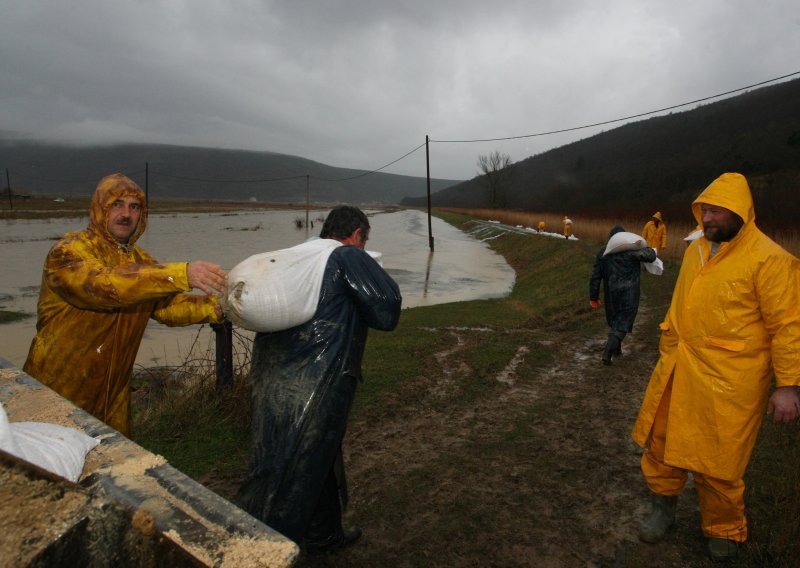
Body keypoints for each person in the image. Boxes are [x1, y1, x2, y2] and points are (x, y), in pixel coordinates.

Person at [631, 173, 800, 562]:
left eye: (716, 211)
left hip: (731, 381)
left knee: (719, 460)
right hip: (678, 368)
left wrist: (789, 386)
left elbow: (788, 327)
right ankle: (663, 510)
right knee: (661, 442)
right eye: (704, 209)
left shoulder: (771, 260)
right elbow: (679, 307)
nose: (707, 218)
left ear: (740, 211)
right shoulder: (695, 252)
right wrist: (667, 347)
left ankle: (724, 529)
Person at [236, 205, 402, 555]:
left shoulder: (304, 259)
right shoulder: (346, 257)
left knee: (315, 454)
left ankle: (324, 533)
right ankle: (265, 550)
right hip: (318, 383)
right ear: (357, 235)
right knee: (295, 463)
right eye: (364, 240)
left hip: (273, 378)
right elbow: (387, 311)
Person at [23, 173, 227, 437]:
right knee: (50, 465)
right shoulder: (68, 252)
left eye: (135, 207)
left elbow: (167, 307)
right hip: (57, 388)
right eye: (117, 204)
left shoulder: (142, 260)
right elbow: (103, 287)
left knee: (111, 469)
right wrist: (180, 274)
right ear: (100, 208)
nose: (126, 214)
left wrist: (220, 307)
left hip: (114, 395)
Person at [589, 225, 656, 365]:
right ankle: (608, 353)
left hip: (611, 293)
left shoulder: (603, 253)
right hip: (629, 292)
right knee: (623, 321)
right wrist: (645, 246)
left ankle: (617, 349)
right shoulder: (632, 251)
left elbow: (595, 276)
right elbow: (651, 256)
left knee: (614, 320)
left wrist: (593, 297)